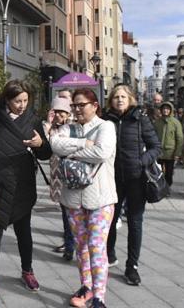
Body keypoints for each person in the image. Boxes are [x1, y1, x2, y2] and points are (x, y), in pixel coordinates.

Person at [0, 79, 52, 296]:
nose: (21, 105)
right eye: (17, 101)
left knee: (24, 231)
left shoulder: (33, 120)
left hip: (22, 183)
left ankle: (27, 270)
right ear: (7, 99)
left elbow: (45, 153)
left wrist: (41, 145)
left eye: (25, 100)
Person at [50, 88, 117, 308]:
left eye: (82, 105)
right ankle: (86, 287)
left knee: (97, 248)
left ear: (94, 105)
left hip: (100, 198)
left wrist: (70, 152)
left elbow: (102, 152)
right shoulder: (67, 128)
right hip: (72, 199)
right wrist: (82, 145)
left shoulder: (105, 126)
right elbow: (54, 144)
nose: (77, 109)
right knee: (81, 247)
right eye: (74, 106)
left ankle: (99, 297)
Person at [102, 85, 161, 286]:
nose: (119, 100)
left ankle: (132, 266)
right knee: (110, 218)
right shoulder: (106, 120)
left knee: (135, 222)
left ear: (130, 99)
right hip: (112, 179)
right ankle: (109, 254)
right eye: (116, 97)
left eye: (123, 97)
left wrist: (141, 161)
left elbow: (155, 147)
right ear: (111, 100)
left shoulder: (140, 119)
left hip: (136, 179)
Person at [46, 97, 75, 261]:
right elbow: (45, 145)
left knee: (71, 212)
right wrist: (49, 124)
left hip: (71, 175)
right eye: (55, 112)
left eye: (60, 112)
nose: (57, 115)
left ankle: (71, 244)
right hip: (57, 175)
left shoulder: (71, 128)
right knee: (64, 211)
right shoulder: (52, 127)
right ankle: (68, 243)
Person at [154, 102, 183, 187]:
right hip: (158, 152)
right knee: (157, 171)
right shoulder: (157, 122)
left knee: (169, 173)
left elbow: (180, 138)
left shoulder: (175, 122)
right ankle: (159, 188)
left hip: (170, 152)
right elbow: (152, 136)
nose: (165, 110)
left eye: (167, 109)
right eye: (164, 109)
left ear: (171, 110)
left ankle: (167, 188)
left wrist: (177, 153)